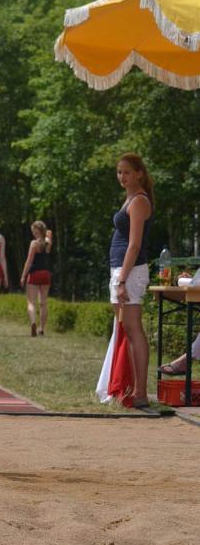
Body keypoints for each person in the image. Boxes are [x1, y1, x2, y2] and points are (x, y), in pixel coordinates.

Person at [109, 153, 154, 408]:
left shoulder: (139, 201)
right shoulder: (129, 199)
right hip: (122, 270)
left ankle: (140, 392)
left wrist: (122, 280)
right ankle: (125, 386)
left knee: (134, 329)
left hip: (131, 272)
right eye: (119, 172)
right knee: (126, 329)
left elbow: (134, 244)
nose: (122, 177)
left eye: (127, 172)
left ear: (139, 173)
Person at [20, 221, 53, 336]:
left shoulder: (34, 243)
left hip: (34, 273)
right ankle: (42, 328)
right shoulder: (48, 242)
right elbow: (49, 239)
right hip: (46, 273)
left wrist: (23, 276)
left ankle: (33, 322)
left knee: (31, 302)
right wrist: (48, 235)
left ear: (35, 231)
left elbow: (29, 261)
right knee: (43, 303)